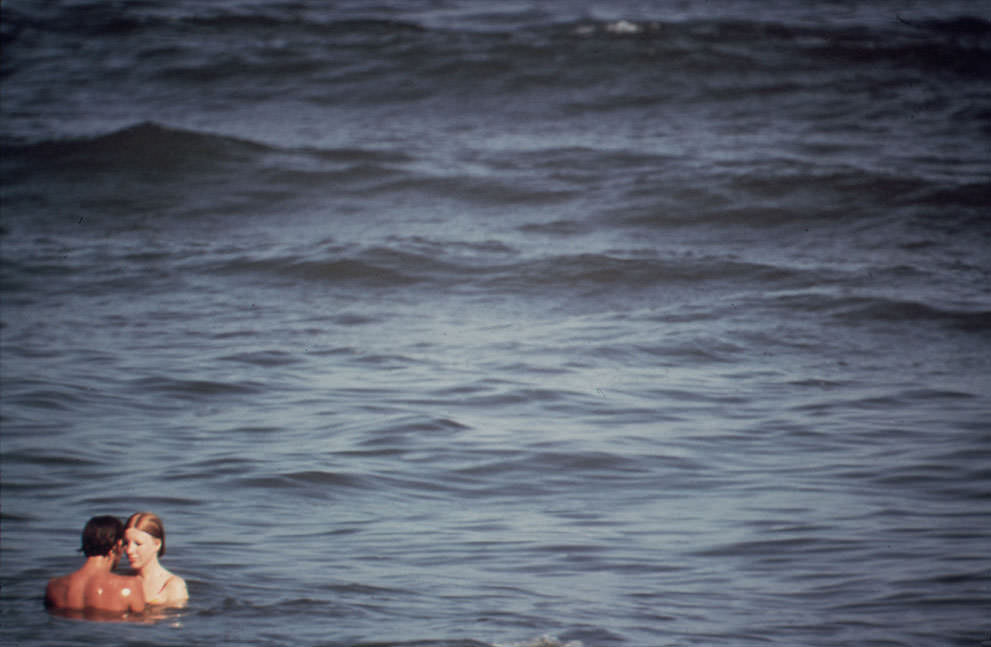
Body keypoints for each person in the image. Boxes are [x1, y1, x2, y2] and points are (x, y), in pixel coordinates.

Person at [45, 516, 146, 616]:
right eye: (124, 545)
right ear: (118, 546)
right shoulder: (131, 586)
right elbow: (141, 625)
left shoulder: (53, 587)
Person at [124, 512, 188, 607]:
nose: (129, 550)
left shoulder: (173, 586)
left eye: (138, 544)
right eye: (126, 543)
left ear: (157, 544)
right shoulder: (122, 580)